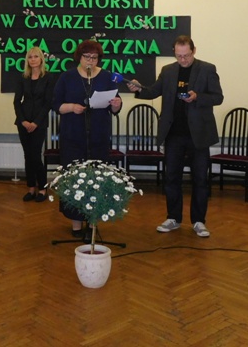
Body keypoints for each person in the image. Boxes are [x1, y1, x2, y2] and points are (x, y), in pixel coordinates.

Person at [128, 35, 223, 238]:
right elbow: (153, 91)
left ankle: (199, 221)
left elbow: (218, 97)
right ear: (174, 53)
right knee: (171, 178)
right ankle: (173, 218)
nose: (183, 60)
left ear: (193, 51)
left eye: (186, 55)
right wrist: (138, 89)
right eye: (179, 56)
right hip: (174, 134)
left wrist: (197, 97)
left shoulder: (207, 69)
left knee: (200, 179)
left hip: (199, 134)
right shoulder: (168, 71)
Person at [51, 39, 122, 237]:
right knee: (74, 179)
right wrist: (71, 107)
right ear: (79, 57)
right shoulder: (67, 77)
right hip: (73, 136)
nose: (90, 61)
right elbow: (56, 104)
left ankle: (92, 223)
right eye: (87, 57)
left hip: (98, 136)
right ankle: (75, 224)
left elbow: (115, 106)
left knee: (96, 178)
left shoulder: (107, 76)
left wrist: (116, 104)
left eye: (94, 57)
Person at [13, 46, 56, 203]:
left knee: (35, 156)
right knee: (28, 155)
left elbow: (48, 103)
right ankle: (31, 188)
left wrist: (36, 122)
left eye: (35, 56)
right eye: (30, 57)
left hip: (39, 123)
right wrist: (23, 121)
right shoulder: (23, 77)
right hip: (23, 122)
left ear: (41, 59)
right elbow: (17, 101)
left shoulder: (49, 77)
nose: (32, 60)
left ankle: (42, 188)